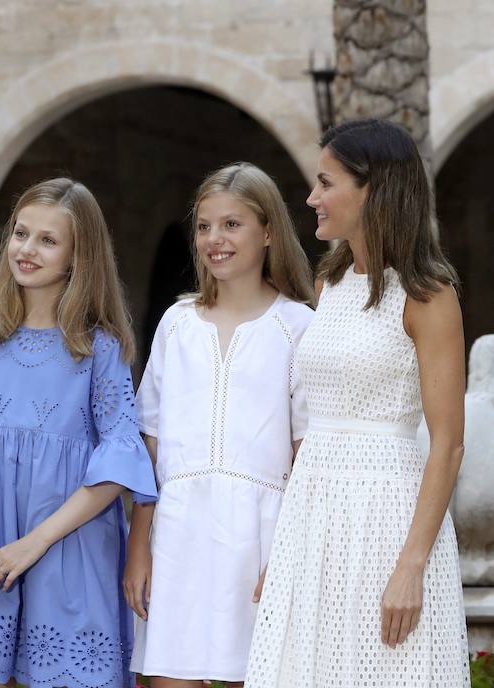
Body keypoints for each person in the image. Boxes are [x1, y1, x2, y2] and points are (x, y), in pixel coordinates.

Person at [0, 178, 158, 688]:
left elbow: (119, 465)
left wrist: (34, 544)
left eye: (48, 240)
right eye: (21, 233)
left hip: (71, 551)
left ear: (76, 257)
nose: (27, 249)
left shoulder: (99, 350)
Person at [246, 119, 470, 686]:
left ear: (373, 190)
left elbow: (448, 445)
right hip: (314, 515)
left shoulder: (429, 295)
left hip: (388, 517)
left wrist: (412, 565)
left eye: (325, 183)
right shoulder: (329, 285)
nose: (311, 197)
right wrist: (287, 548)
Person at [124, 163, 315, 687]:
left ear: (269, 231)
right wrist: (139, 545)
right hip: (178, 530)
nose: (215, 239)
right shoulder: (176, 323)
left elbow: (307, 454)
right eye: (205, 226)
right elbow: (151, 444)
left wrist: (289, 554)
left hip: (263, 537)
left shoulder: (298, 325)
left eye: (232, 225)